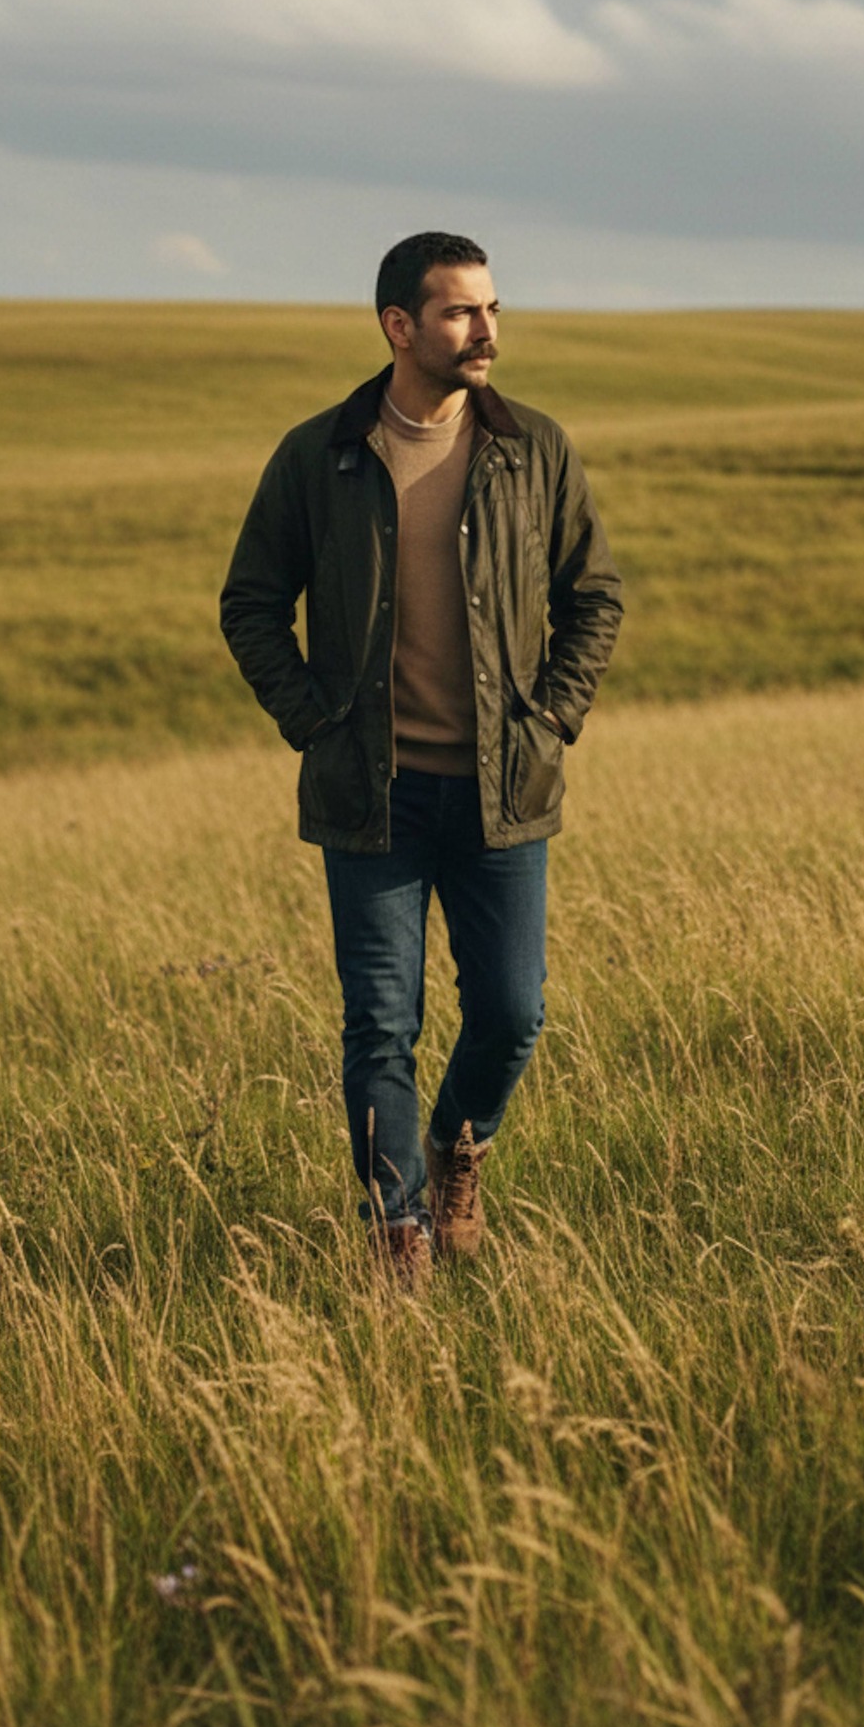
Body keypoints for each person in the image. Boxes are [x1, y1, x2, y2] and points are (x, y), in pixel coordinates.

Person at [220, 231, 623, 1289]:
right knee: (381, 1023)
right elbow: (252, 602)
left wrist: (551, 716)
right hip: (375, 796)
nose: (485, 329)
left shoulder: (533, 448)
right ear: (399, 325)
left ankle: (458, 1147)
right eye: (459, 312)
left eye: (491, 308)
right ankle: (396, 1233)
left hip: (503, 788)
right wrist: (314, 721)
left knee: (511, 1009)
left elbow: (595, 596)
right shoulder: (321, 455)